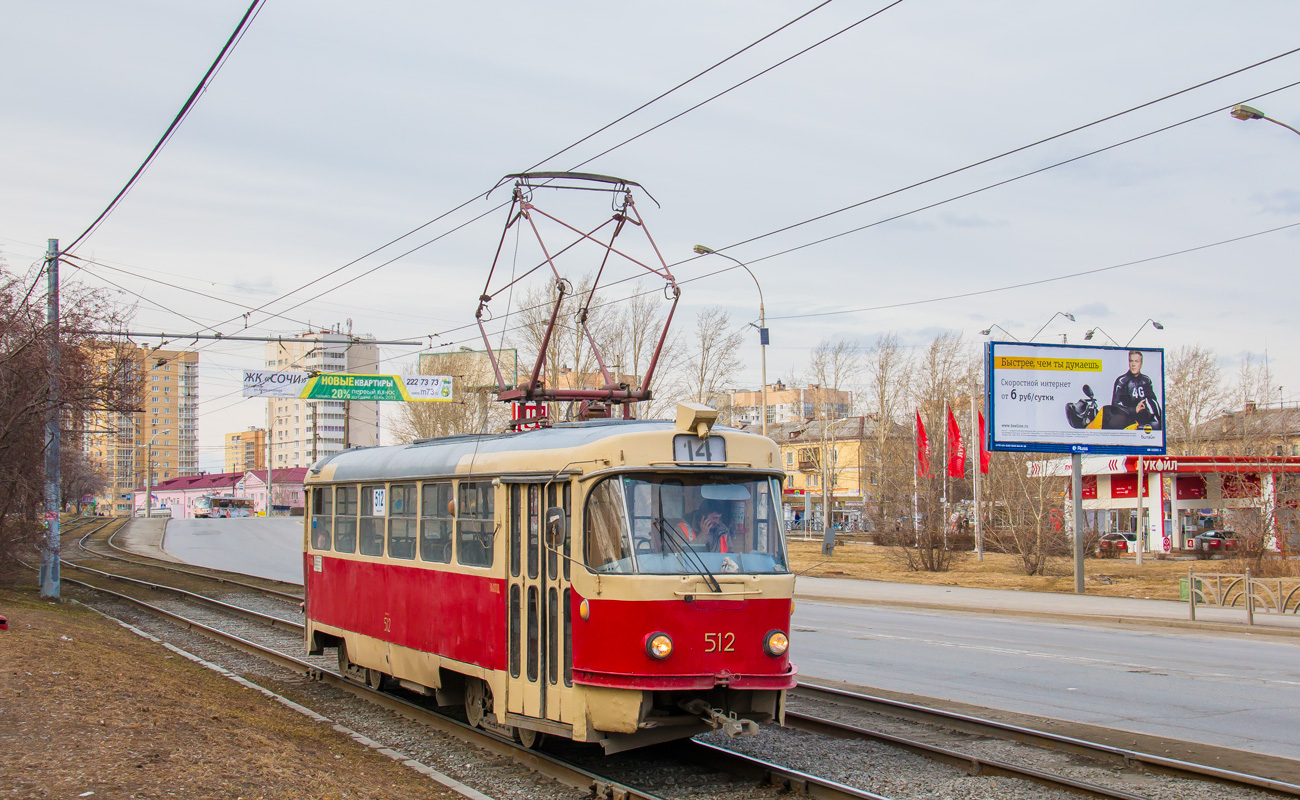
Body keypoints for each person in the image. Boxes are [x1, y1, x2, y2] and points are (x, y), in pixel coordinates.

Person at [1110, 350, 1161, 429]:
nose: (1133, 364)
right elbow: (1114, 407)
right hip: (1128, 421)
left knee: (1155, 426)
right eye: (1131, 361)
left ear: (1141, 364)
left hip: (1145, 420)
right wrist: (1134, 410)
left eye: (1136, 361)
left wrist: (1161, 422)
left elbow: (1153, 402)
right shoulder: (1122, 381)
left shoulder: (1146, 380)